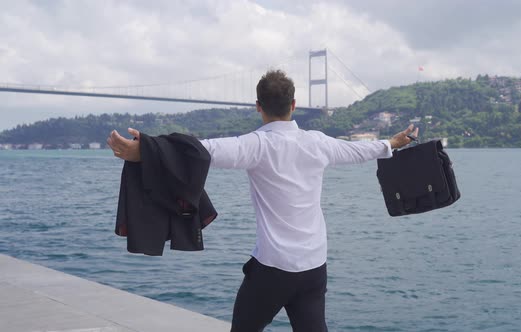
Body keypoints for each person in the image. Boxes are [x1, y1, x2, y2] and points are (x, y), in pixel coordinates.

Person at [107, 69, 418, 331]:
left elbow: (202, 151)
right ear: (294, 105)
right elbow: (358, 152)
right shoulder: (318, 143)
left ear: (258, 106)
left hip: (273, 268)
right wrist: (391, 142)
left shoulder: (256, 145)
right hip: (313, 267)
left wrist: (146, 150)